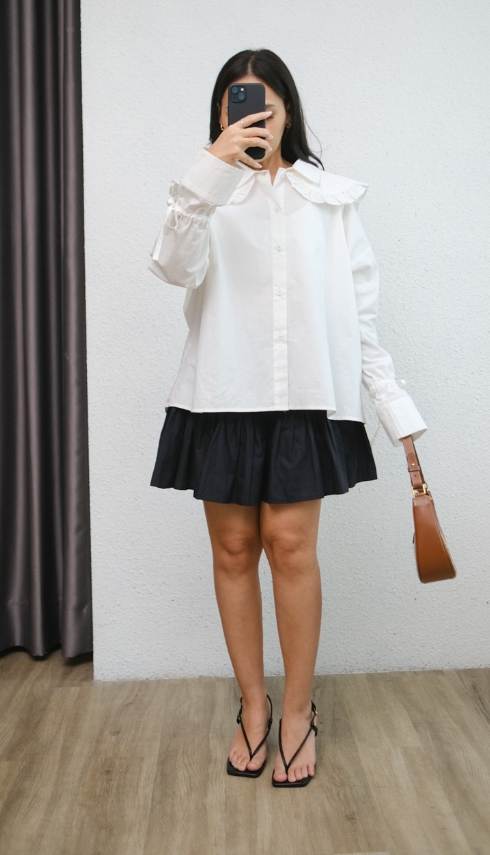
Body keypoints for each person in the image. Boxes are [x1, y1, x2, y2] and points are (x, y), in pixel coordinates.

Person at [148, 49, 426, 787]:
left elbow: (360, 318)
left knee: (292, 548)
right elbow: (173, 267)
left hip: (306, 397)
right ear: (220, 115)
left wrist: (393, 409)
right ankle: (253, 705)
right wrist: (211, 168)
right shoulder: (202, 197)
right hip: (221, 395)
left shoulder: (331, 201)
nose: (251, 116)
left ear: (288, 112)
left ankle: (298, 712)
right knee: (234, 550)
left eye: (264, 103)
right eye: (235, 103)